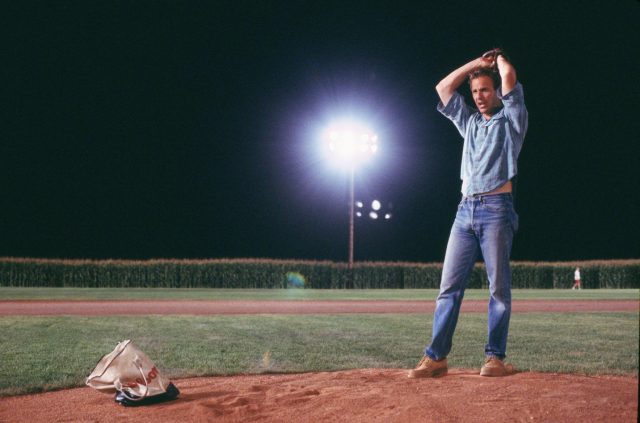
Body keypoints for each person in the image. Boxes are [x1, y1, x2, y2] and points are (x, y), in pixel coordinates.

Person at [409, 48, 528, 378]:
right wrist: (476, 65)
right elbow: (443, 88)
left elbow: (509, 79)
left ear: (496, 93)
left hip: (496, 211)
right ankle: (436, 358)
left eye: (485, 90)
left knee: (498, 290)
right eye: (475, 91)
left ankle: (494, 359)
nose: (479, 96)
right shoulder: (470, 122)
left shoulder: (511, 120)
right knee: (448, 288)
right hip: (465, 211)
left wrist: (500, 59)